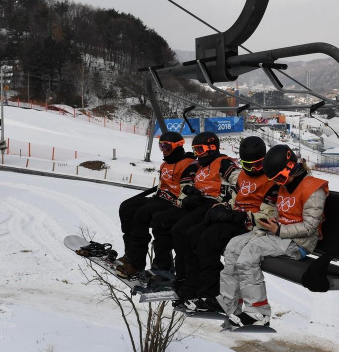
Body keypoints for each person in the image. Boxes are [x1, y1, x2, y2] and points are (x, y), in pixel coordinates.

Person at [217, 144, 328, 328]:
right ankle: (230, 306)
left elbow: (310, 227)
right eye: (273, 179)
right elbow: (280, 212)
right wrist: (268, 224)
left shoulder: (312, 189)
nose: (277, 183)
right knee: (234, 246)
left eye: (279, 178)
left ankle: (258, 313)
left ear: (290, 167)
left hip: (298, 243)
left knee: (249, 254)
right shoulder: (286, 184)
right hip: (279, 235)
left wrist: (279, 230)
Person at [179, 136, 279, 313]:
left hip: (251, 225)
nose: (253, 169)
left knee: (209, 239)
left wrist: (236, 216)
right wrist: (222, 207)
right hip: (236, 217)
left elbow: (268, 215)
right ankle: (191, 287)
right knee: (193, 234)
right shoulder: (242, 176)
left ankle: (211, 294)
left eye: (258, 164)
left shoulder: (272, 180)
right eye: (248, 165)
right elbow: (235, 199)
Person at [151, 131, 238, 298]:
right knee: (169, 225)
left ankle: (191, 282)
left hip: (213, 204)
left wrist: (226, 201)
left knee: (188, 234)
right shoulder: (197, 166)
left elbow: (239, 180)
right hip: (197, 204)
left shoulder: (223, 163)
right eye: (195, 150)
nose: (198, 154)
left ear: (212, 148)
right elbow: (185, 185)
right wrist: (188, 195)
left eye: (200, 150)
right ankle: (179, 275)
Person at [117, 131, 196, 278]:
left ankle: (136, 264)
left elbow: (188, 189)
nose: (163, 150)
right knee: (127, 207)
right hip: (161, 198)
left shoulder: (188, 164)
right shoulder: (165, 164)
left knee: (142, 214)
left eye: (167, 147)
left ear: (178, 146)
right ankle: (130, 254)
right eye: (161, 147)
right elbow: (162, 186)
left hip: (174, 202)